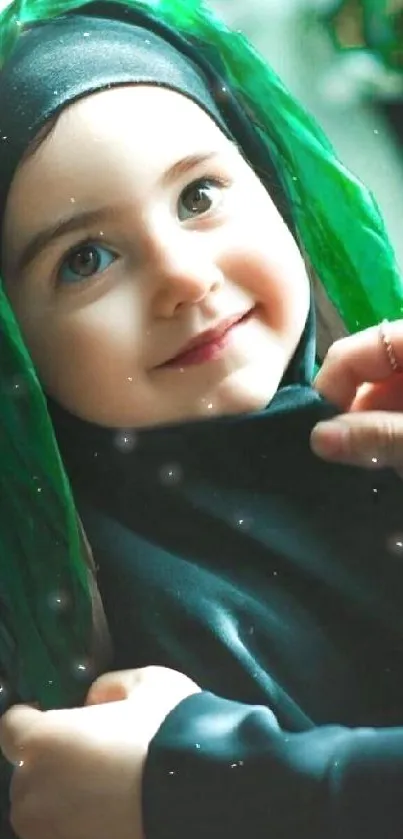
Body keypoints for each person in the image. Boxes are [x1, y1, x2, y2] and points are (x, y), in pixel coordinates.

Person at [1, 1, 403, 838]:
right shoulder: (86, 637)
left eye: (199, 194)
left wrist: (211, 781)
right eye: (85, 259)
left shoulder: (380, 441)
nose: (184, 276)